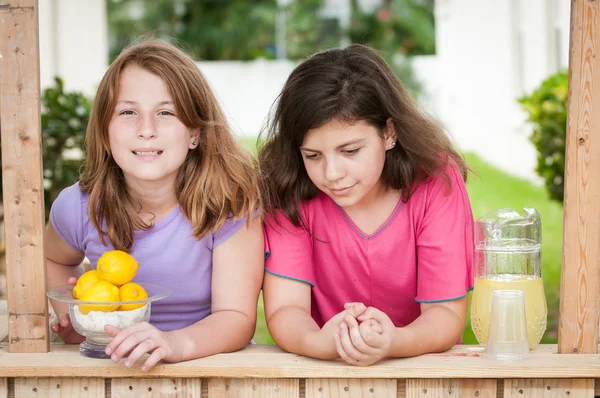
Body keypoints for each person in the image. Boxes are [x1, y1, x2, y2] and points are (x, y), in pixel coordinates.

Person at [46, 39, 264, 371]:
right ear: (105, 132)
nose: (146, 130)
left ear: (194, 131)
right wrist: (81, 323)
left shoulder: (228, 204)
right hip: (112, 372)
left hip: (205, 370)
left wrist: (173, 344)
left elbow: (235, 317)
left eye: (165, 113)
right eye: (128, 112)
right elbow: (52, 258)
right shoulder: (79, 205)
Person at [258, 44, 474, 366]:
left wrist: (393, 341)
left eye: (350, 151)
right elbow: (285, 309)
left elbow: (445, 312)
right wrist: (320, 342)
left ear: (389, 133)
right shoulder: (289, 188)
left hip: (422, 371)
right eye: (312, 156)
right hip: (325, 374)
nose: (331, 174)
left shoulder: (436, 182)